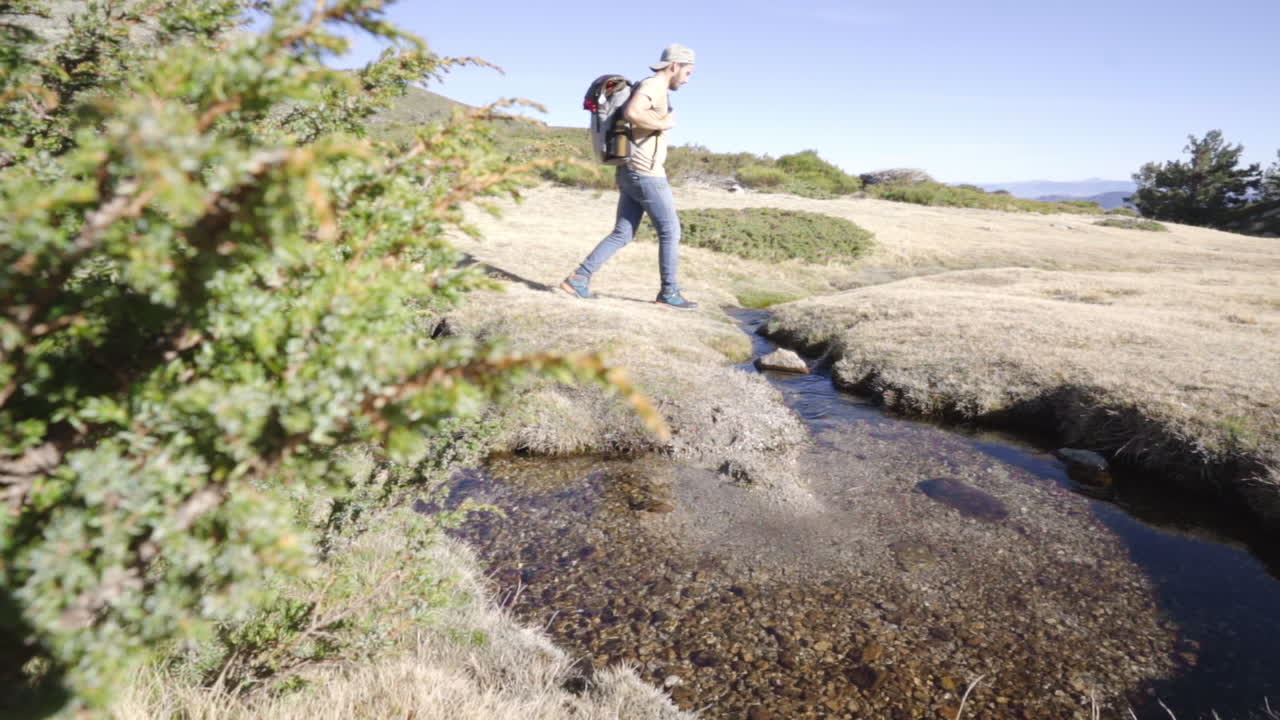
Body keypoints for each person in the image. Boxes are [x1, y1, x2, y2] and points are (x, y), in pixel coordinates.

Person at [560, 44, 698, 309]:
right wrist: (665, 123)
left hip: (630, 171)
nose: (688, 79)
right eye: (688, 72)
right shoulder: (653, 87)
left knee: (623, 233)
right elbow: (632, 113)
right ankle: (669, 294)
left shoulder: (651, 87)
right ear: (674, 66)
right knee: (671, 231)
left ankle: (578, 279)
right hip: (646, 174)